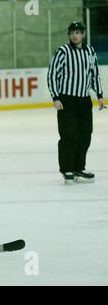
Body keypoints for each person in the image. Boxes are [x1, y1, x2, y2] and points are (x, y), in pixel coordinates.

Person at [47, 21, 105, 185]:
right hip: (67, 100)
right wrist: (55, 97)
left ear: (84, 34)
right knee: (68, 135)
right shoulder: (62, 52)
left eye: (78, 32)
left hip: (84, 100)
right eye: (72, 32)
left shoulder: (89, 51)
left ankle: (79, 166)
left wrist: (99, 94)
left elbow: (94, 74)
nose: (75, 35)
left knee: (85, 135)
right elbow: (52, 75)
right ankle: (67, 169)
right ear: (69, 35)